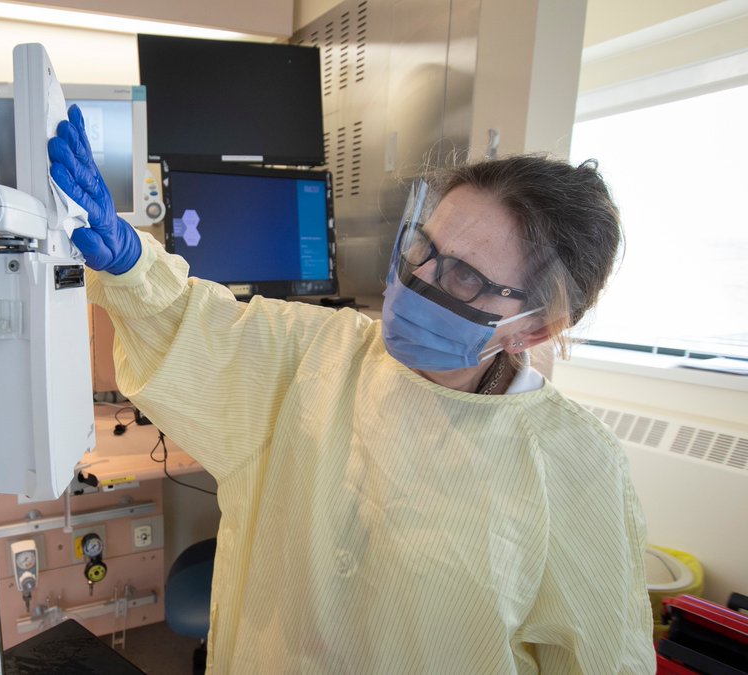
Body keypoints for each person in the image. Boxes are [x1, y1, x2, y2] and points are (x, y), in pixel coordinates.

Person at [49, 105, 654, 674]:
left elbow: (603, 659)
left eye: (465, 277)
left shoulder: (577, 464)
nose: (419, 282)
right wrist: (131, 266)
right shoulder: (319, 352)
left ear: (535, 328)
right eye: (424, 248)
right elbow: (192, 327)